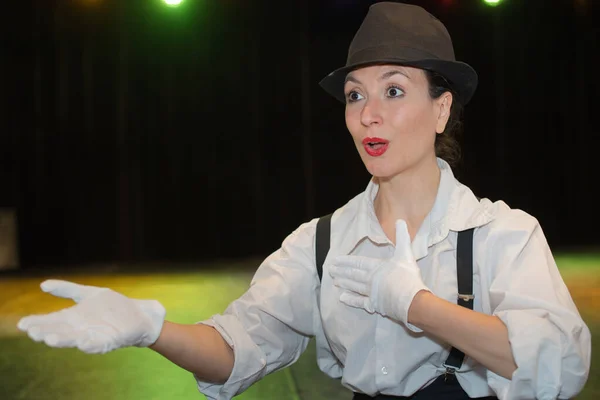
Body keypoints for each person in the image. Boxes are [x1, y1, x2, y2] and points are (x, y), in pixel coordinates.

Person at [17, 2, 591, 400]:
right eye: (354, 95)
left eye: (394, 90)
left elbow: (561, 369)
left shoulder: (502, 234)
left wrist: (419, 307)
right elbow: (237, 348)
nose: (369, 113)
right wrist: (151, 329)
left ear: (441, 109)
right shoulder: (320, 245)